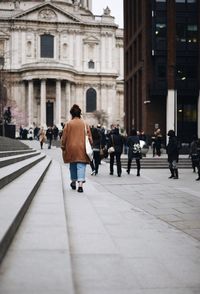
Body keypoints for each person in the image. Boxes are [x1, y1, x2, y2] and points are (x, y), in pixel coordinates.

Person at [61, 104, 93, 193]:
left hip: (71, 147)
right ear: (80, 113)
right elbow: (90, 137)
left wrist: (63, 146)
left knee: (73, 165)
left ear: (71, 114)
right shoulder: (85, 124)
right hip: (82, 147)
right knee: (81, 165)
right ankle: (80, 185)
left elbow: (64, 137)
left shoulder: (68, 124)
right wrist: (90, 144)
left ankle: (73, 181)